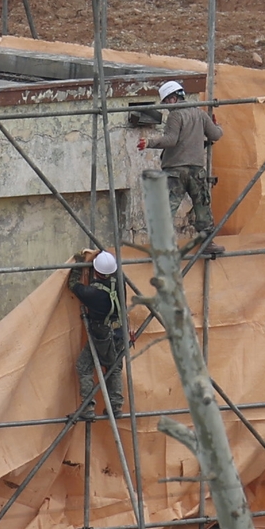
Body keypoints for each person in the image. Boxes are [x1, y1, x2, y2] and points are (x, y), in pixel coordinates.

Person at [137, 80, 225, 254]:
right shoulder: (200, 113)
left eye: (166, 102)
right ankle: (208, 244)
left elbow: (171, 140)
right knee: (202, 208)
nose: (167, 106)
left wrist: (149, 142)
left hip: (175, 171)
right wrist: (217, 125)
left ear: (172, 98)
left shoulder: (175, 115)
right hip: (196, 171)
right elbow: (215, 135)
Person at [67, 250, 125, 420]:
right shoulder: (120, 281)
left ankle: (88, 407)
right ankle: (116, 406)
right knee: (114, 367)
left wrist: (78, 264)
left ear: (96, 271)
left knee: (84, 366)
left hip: (102, 335)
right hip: (119, 332)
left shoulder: (92, 294)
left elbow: (73, 284)